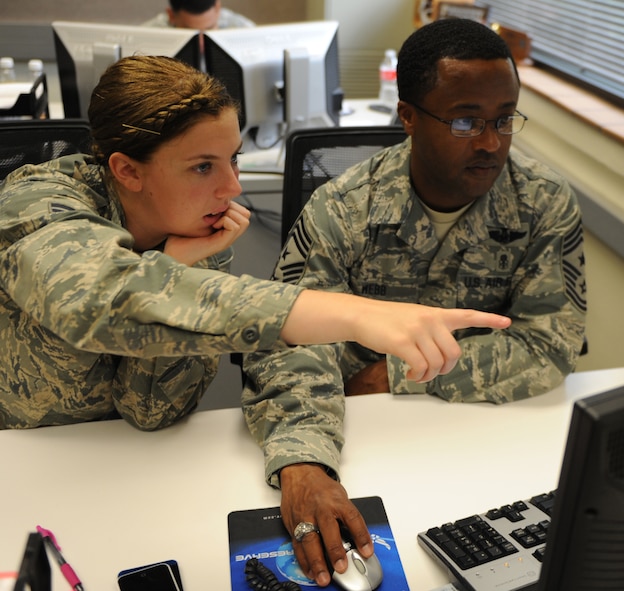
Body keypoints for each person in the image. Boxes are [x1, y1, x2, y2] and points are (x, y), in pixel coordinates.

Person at [241, 17, 587, 587]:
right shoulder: (343, 209)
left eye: (505, 119)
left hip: (481, 443)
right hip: (360, 439)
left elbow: (548, 348)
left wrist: (397, 374)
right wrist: (303, 461)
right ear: (407, 117)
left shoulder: (543, 205)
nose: (492, 142)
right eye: (465, 120)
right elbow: (285, 341)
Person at [0, 54, 510, 432]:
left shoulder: (202, 229)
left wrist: (177, 266)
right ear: (127, 170)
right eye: (203, 167)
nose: (233, 188)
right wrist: (354, 314)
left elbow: (151, 411)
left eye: (234, 159)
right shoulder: (38, 203)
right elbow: (92, 301)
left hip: (116, 463)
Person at [142, 0, 254, 29]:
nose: (201, 43)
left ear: (218, 9)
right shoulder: (147, 36)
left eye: (209, 29)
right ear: (171, 16)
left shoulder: (243, 30)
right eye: (191, 32)